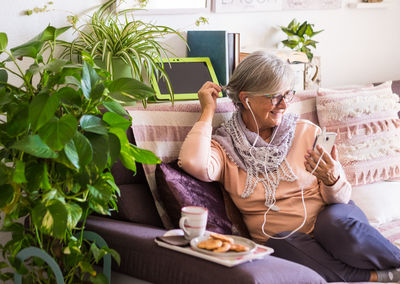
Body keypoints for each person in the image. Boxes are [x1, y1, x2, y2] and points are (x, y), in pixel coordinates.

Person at [178, 51, 400, 283]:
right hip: (288, 241)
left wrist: (331, 179)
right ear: (246, 99)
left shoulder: (306, 131)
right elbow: (193, 163)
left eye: (288, 95)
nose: (284, 105)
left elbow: (343, 198)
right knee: (280, 242)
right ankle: (380, 276)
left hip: (333, 219)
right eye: (275, 97)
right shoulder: (224, 148)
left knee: (332, 225)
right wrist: (207, 112)